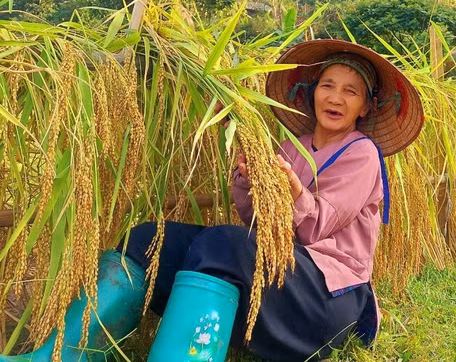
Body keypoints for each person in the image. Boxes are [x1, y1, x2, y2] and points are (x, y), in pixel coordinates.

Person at [1, 40, 423, 362]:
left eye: (350, 91)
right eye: (327, 85)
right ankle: (60, 355)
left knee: (224, 244)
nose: (335, 97)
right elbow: (259, 221)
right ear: (311, 93)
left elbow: (316, 227)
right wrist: (246, 180)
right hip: (276, 277)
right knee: (149, 238)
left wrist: (294, 189)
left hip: (328, 298)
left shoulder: (362, 152)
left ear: (367, 105)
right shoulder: (294, 144)